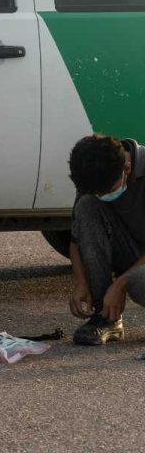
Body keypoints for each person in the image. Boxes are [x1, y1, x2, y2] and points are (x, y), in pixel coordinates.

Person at [67, 134, 145, 345]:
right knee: (86, 206)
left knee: (139, 281)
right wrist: (82, 283)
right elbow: (76, 239)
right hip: (132, 252)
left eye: (106, 191)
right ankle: (106, 317)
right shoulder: (91, 176)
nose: (101, 196)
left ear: (127, 168)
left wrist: (120, 284)